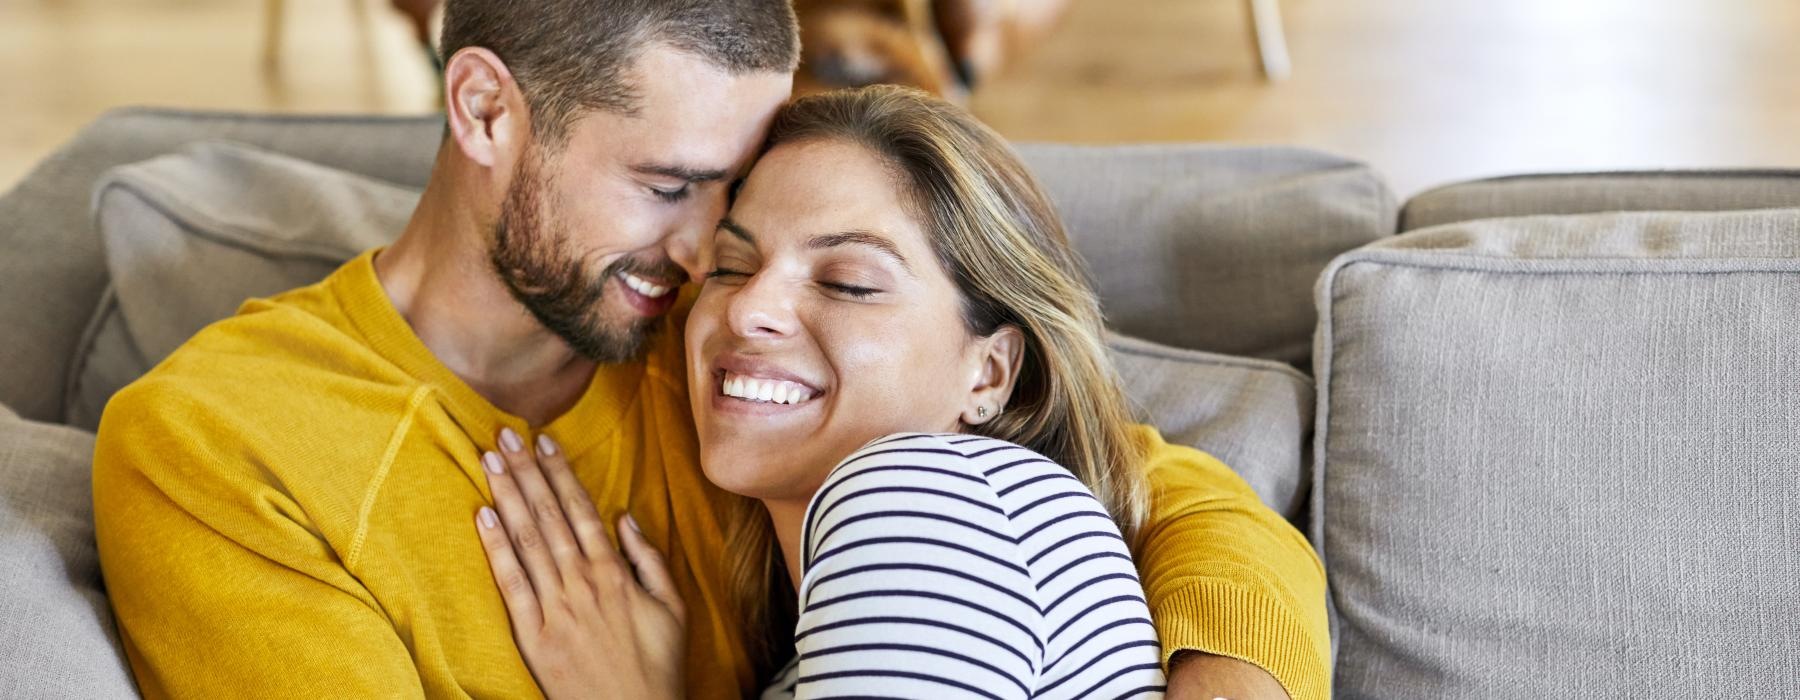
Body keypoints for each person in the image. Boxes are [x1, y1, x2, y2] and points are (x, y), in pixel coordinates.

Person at [91, 1, 1328, 698]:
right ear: (482, 109)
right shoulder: (223, 445)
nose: (707, 264)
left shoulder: (727, 352)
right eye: (667, 185)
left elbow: (1151, 485)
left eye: (728, 201)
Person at [473, 85, 1165, 698]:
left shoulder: (926, 495)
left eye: (847, 284)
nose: (746, 310)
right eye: (732, 264)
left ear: (988, 374)